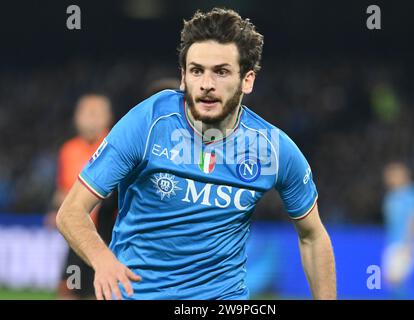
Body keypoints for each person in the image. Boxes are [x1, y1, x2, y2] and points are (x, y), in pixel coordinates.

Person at [56, 8, 336, 300]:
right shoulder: (149, 122)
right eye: (196, 70)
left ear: (247, 80)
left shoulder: (272, 149)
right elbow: (71, 212)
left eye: (222, 71)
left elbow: (313, 236)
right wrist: (103, 261)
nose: (206, 84)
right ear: (183, 77)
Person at [46, 93, 115, 299]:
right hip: (77, 238)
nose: (90, 118)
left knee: (102, 291)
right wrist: (55, 211)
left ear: (108, 117)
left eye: (96, 113)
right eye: (86, 112)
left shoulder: (115, 146)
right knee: (68, 290)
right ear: (76, 116)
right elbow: (62, 190)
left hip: (107, 239)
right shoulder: (68, 150)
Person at [382, 161, 414, 298]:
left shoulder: (413, 194)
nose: (388, 178)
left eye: (392, 174)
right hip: (393, 242)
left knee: (395, 280)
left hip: (405, 243)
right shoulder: (390, 197)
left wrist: (411, 243)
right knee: (390, 281)